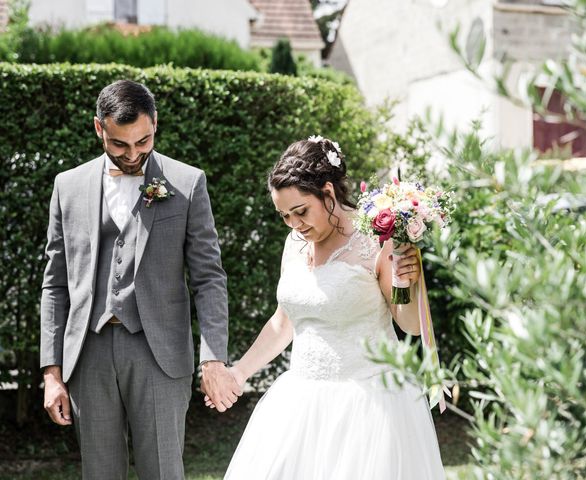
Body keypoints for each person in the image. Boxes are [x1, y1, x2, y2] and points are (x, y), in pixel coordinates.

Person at [40, 79, 242, 480]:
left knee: (163, 472)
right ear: (99, 128)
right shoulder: (68, 185)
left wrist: (213, 357)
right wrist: (51, 373)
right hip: (88, 354)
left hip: (159, 354)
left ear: (155, 125)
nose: (133, 154)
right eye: (120, 144)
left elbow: (209, 278)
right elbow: (55, 283)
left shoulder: (187, 183)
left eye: (143, 141)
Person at [216, 137, 446, 479]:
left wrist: (405, 283)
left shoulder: (376, 242)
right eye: (285, 216)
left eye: (301, 211)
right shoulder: (295, 243)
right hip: (301, 403)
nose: (294, 224)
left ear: (328, 192)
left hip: (371, 405)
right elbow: (284, 323)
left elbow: (410, 324)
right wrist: (238, 372)